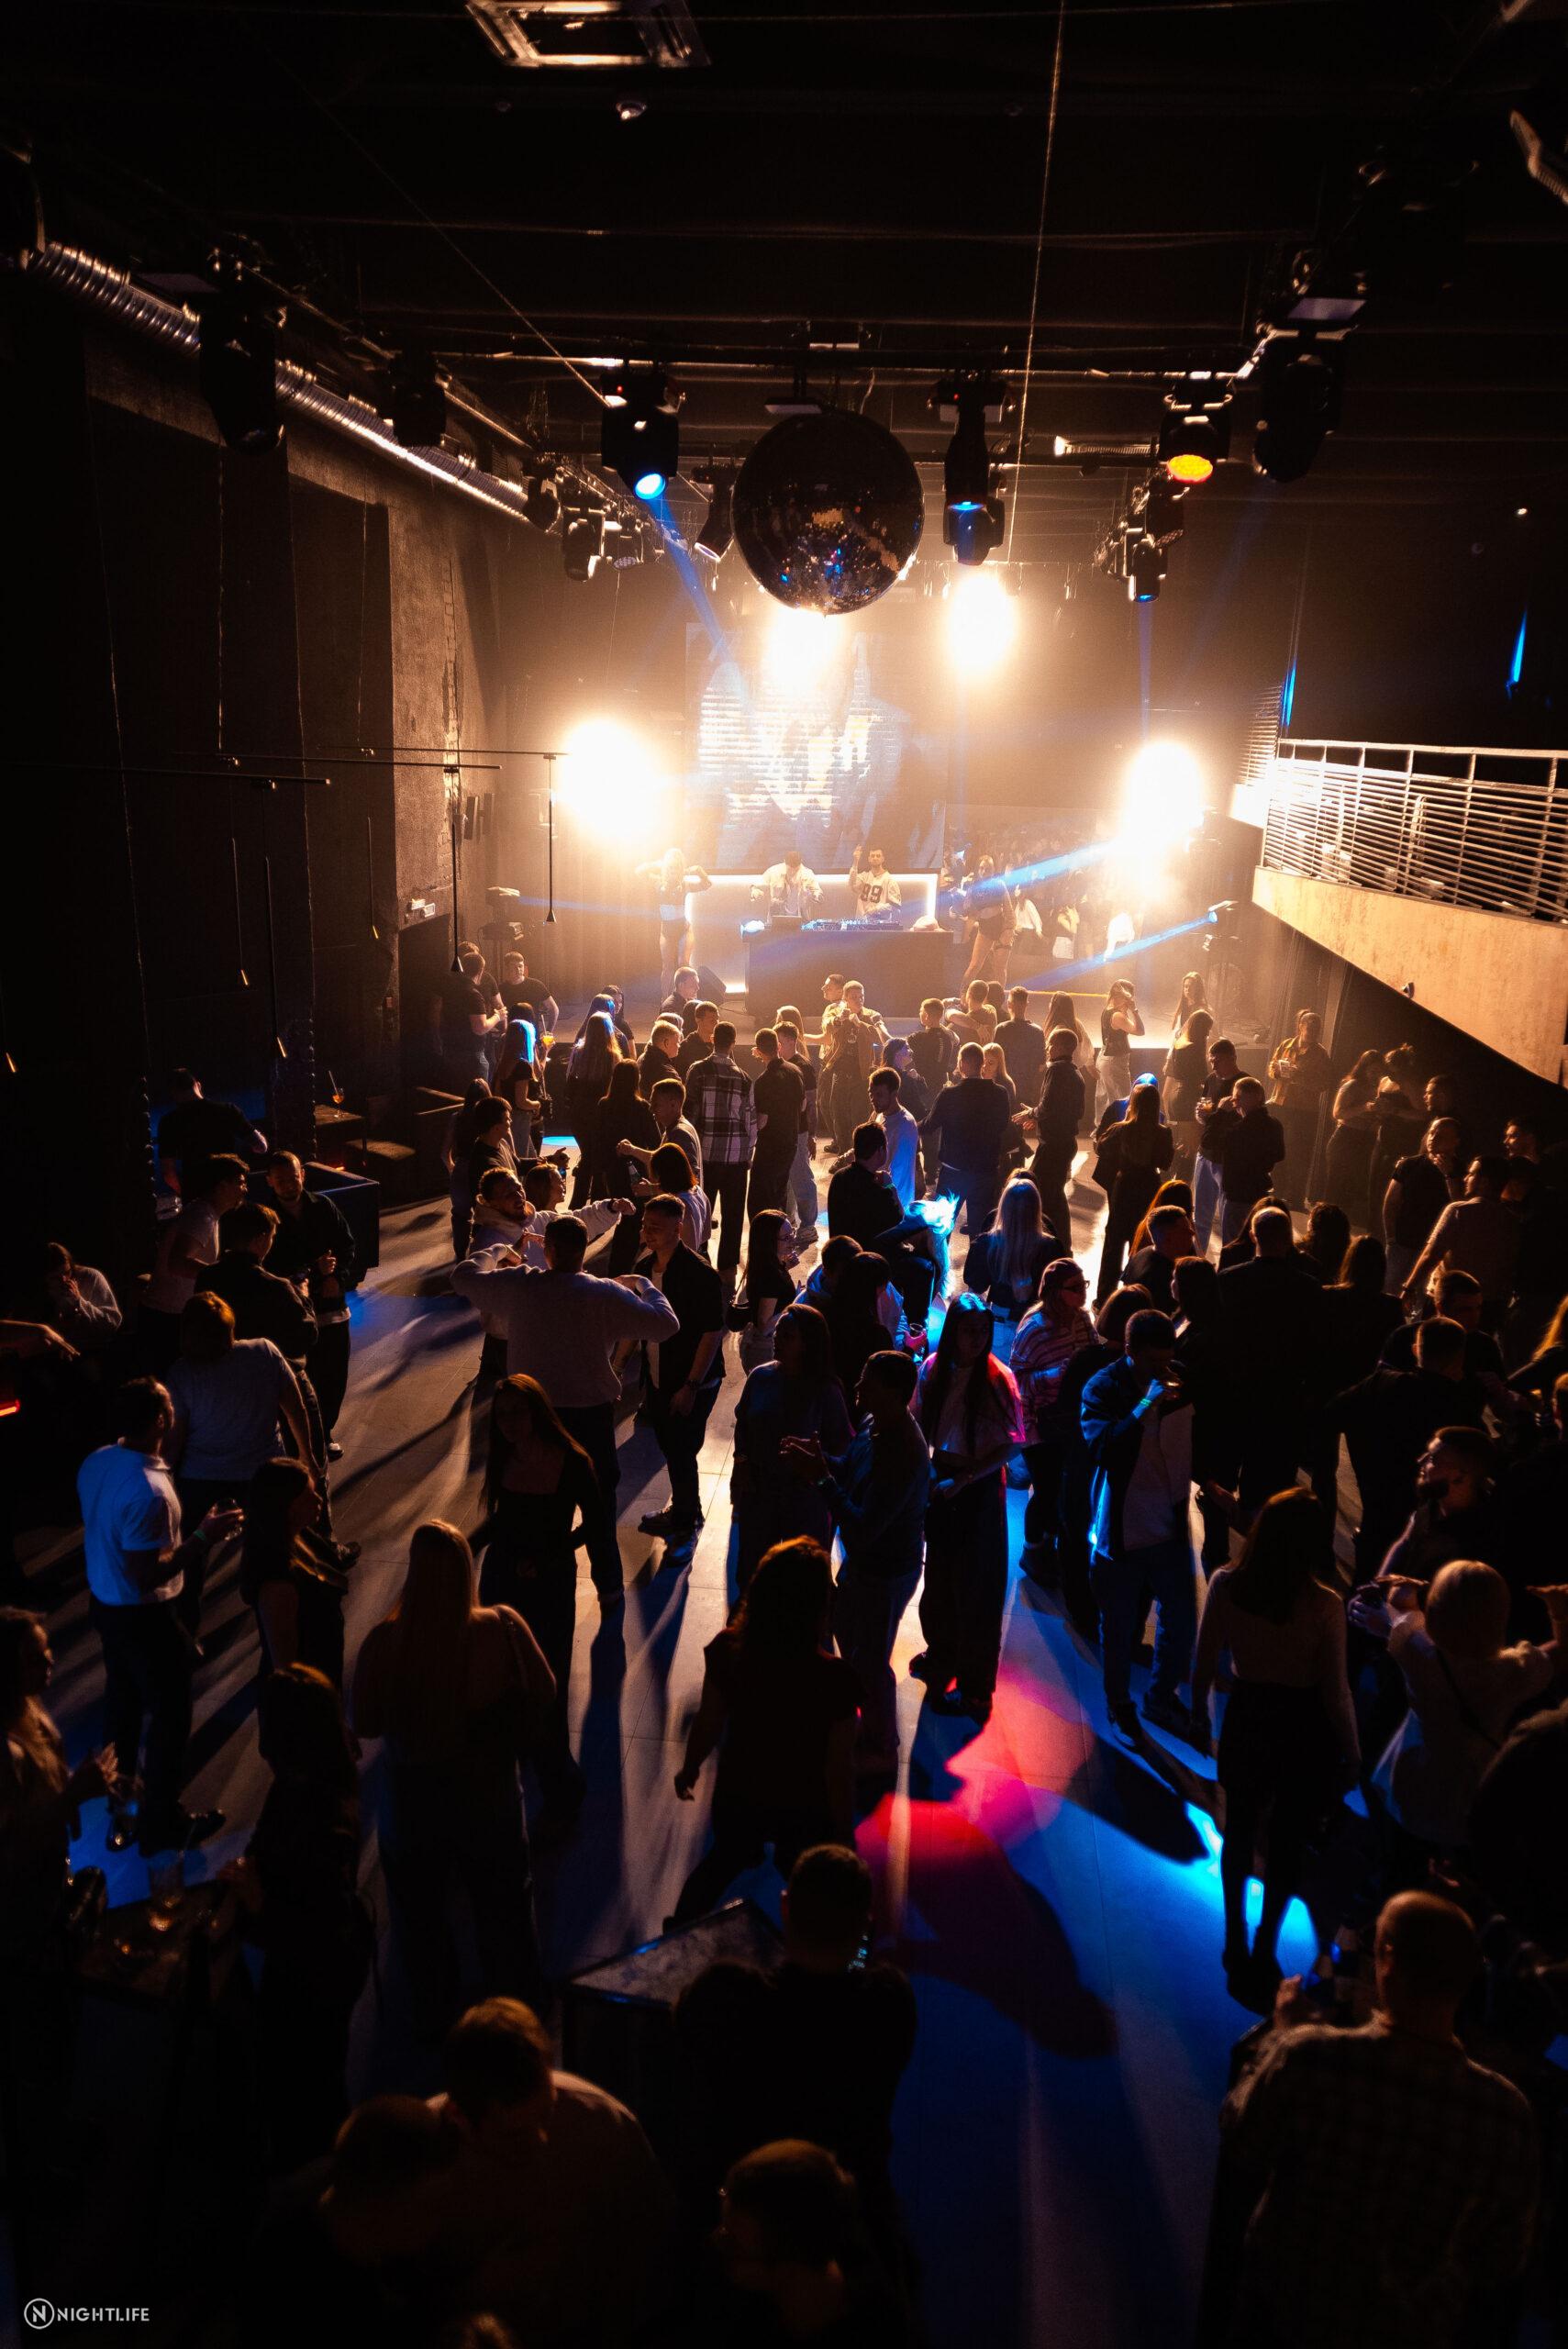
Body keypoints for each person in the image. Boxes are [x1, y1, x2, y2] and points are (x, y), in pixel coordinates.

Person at [1219, 1892, 1539, 2349]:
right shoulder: (1507, 2116)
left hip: (1283, 2318)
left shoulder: (1311, 2057)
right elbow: (1501, 2261)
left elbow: (1244, 2139)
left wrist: (1282, 2035)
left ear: (1386, 1960)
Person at [352, 1522, 552, 2031]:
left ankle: (436, 2019)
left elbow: (365, 1723)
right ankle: (517, 2018)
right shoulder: (503, 1627)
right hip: (490, 1795)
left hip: (414, 1803)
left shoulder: (384, 1643)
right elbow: (546, 1689)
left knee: (421, 1919)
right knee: (505, 1910)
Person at [674, 1843, 917, 2243]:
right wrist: (858, 1948)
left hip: (745, 2213)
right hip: (849, 2218)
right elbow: (858, 1971)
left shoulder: (727, 1995)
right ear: (865, 1926)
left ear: (785, 1906)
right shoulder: (887, 2004)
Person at [1190, 1491, 1359, 2007]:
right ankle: (1266, 1942)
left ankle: (1234, 1932)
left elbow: (1205, 1658)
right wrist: (1352, 1750)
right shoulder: (1324, 1605)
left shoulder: (1227, 1584)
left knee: (1239, 1827)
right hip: (1301, 1725)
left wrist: (1197, 1711)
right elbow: (1335, 1689)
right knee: (1287, 1840)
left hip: (1248, 1713)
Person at [452, 1214, 677, 1596]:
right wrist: (644, 1284)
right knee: (599, 1505)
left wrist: (498, 1251)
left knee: (535, 1504)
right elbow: (666, 1324)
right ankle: (609, 1586)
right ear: (584, 1249)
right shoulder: (606, 1293)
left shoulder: (521, 1285)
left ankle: (531, 1578)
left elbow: (462, 1277)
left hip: (533, 1416)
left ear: (549, 1250)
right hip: (590, 1417)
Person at [434, 1998, 673, 2347]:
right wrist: (473, 2292)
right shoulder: (421, 2162)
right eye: (514, 2135)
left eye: (547, 2114)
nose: (541, 2141)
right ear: (458, 2116)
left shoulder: (602, 2124)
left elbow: (654, 2244)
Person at [77, 1379, 238, 1854]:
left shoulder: (97, 1460)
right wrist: (204, 1537)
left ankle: (123, 1812)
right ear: (160, 1422)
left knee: (122, 1710)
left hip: (105, 1606)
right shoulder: (150, 1492)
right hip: (145, 1619)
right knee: (170, 1718)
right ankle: (161, 1822)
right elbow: (147, 1574)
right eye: (171, 1408)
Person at [220, 1664, 369, 2170]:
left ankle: (316, 2177)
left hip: (316, 1974)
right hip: (320, 1963)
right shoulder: (312, 1777)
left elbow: (316, 1929)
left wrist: (258, 1900)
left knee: (309, 2089)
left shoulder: (323, 1815)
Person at [670, 1539, 860, 1922]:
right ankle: (833, 1949)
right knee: (810, 1878)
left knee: (721, 1863)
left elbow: (710, 1720)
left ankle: (678, 1935)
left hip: (742, 1789)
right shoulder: (837, 1680)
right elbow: (837, 1769)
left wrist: (690, 1767)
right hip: (804, 1802)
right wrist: (844, 1833)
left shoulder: (728, 1650)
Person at [1350, 1561, 1563, 1874]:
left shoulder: (1418, 1651)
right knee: (1457, 1863)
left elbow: (1402, 1610)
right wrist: (1559, 1611)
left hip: (1413, 1778)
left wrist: (1405, 1587)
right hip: (1469, 1790)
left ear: (1436, 1610)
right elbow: (1561, 1652)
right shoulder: (1511, 1671)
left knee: (1398, 1857)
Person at [785, 1350, 930, 1771]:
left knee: (871, 1660)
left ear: (897, 1394)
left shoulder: (904, 1453)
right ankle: (867, 1721)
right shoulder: (873, 1424)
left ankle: (882, 1747)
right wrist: (821, 1462)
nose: (858, 1387)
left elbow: (864, 1528)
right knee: (852, 1640)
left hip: (886, 1571)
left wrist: (821, 1478)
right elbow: (849, 1470)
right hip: (866, 1565)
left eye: (868, 1382)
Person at [475, 1375, 605, 1822]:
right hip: (502, 1577)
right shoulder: (503, 1453)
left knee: (549, 1675)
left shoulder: (572, 1461)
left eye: (517, 1412)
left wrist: (550, 1556)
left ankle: (558, 1776)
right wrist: (463, 1546)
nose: (509, 1423)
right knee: (504, 1670)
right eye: (502, 1415)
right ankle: (522, 1751)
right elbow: (502, 1519)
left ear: (536, 1412)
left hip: (549, 1582)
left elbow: (596, 1523)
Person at [1082, 1308, 1197, 1741]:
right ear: (1129, 1349)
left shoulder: (1180, 1383)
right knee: (1118, 1626)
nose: (1163, 1370)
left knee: (1180, 1618)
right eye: (1153, 1362)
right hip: (1122, 1531)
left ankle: (1160, 1697)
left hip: (1169, 1524)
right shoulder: (1103, 1388)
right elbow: (1103, 1448)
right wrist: (1145, 1404)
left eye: (1168, 1360)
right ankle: (1119, 1705)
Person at [910, 1296, 1021, 1723]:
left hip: (978, 1487)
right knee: (939, 1575)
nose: (976, 1339)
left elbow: (1011, 1444)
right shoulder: (933, 1368)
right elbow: (920, 1422)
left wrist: (967, 1478)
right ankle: (942, 1653)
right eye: (968, 1329)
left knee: (979, 1588)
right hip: (942, 1478)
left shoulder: (997, 1378)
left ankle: (976, 1688)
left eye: (982, 1331)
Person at [732, 1306, 854, 1591]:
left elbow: (843, 1447)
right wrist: (741, 1461)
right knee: (753, 1572)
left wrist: (814, 1463)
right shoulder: (760, 1377)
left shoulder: (826, 1390)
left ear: (807, 1344)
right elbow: (743, 1424)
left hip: (803, 1500)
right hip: (760, 1492)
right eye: (778, 1332)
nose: (777, 1339)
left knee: (800, 1580)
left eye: (787, 1336)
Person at [633, 1191, 728, 1550]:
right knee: (671, 1445)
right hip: (660, 1374)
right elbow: (635, 1322)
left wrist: (691, 1385)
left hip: (692, 1378)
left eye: (657, 1227)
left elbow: (711, 1332)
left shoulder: (699, 1274)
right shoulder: (644, 1269)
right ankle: (685, 1511)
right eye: (646, 1225)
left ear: (679, 1228)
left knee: (681, 1447)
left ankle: (686, 1520)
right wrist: (620, 1364)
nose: (649, 1233)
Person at [1217, 1206, 1324, 1515]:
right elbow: (1316, 1343)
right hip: (1285, 1392)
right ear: (1289, 1239)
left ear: (1253, 1236)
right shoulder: (1309, 1288)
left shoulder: (1229, 1280)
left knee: (1229, 1462)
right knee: (1273, 1474)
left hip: (1238, 1387)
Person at [1012, 1258, 1095, 1588]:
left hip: (1071, 1422)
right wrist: (1058, 1373)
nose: (1083, 1293)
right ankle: (1032, 1550)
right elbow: (1018, 1381)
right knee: (1045, 1491)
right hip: (1041, 1424)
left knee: (1063, 1489)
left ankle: (1050, 1545)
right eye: (1075, 1288)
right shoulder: (1034, 1328)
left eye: (1083, 1285)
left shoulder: (1082, 1319)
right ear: (1056, 1291)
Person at [261, 1152, 356, 1442]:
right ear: (270, 1181)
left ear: (302, 1174)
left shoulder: (323, 1206)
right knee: (303, 1378)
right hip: (292, 1315)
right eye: (281, 1181)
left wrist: (337, 1278)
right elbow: (268, 1266)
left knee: (335, 1375)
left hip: (331, 1308)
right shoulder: (265, 1217)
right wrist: (314, 1271)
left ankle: (325, 1433)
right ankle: (306, 1438)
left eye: (293, 1178)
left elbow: (347, 1246)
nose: (289, 1185)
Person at [240, 1456, 349, 1685]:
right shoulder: (278, 1582)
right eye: (309, 1496)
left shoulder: (299, 1536)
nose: (319, 1499)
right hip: (306, 1691)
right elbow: (285, 1666)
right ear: (288, 1506)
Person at [138, 1152, 250, 1374]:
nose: (245, 1189)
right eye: (240, 1183)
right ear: (222, 1185)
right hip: (169, 1320)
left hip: (170, 1316)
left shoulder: (207, 1214)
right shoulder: (202, 1216)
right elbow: (178, 1262)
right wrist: (223, 1274)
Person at [1401, 1153, 1518, 1331]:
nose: (1465, 1178)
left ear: (1484, 1182)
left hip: (1449, 1301)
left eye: (1471, 1174)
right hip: (1488, 1307)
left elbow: (1431, 1254)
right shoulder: (1511, 1221)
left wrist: (1409, 1288)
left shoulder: (1458, 1211)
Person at [684, 1020, 756, 1278]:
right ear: (733, 1043)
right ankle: (727, 1267)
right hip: (735, 1156)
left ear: (713, 1039)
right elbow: (750, 1122)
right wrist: (748, 1154)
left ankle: (698, 1260)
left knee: (701, 1211)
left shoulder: (698, 1070)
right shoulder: (744, 1078)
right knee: (733, 1215)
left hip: (705, 1155)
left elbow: (689, 1112)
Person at [1094, 1080, 1174, 1304]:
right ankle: (1140, 1292)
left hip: (1124, 1186)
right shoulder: (1163, 1133)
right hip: (1150, 1186)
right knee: (1142, 1241)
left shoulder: (1120, 1129)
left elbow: (1101, 1148)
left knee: (1113, 1243)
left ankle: (1104, 1296)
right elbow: (1166, 1163)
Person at [921, 1041, 1011, 1239]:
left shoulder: (949, 1094)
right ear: (982, 1064)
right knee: (981, 1232)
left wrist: (907, 1124)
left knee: (941, 1230)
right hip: (986, 1171)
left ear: (962, 1063)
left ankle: (940, 1260)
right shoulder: (1000, 1094)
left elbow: (929, 1125)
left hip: (954, 1171)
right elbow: (1003, 1126)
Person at [1381, 1113, 1462, 1295]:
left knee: (1421, 1296)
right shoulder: (1409, 1165)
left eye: (1441, 1136)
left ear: (1455, 1141)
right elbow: (1391, 1202)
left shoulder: (1461, 1171)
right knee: (1389, 1291)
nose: (1433, 1138)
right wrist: (1391, 1238)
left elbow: (1460, 1208)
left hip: (1434, 1249)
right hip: (1402, 1242)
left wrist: (1449, 1175)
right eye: (1432, 1133)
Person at [964, 1174, 1060, 1326]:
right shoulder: (1052, 1247)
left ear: (1003, 1207)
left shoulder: (987, 1243)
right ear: (1037, 1208)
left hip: (999, 1322)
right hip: (1037, 1323)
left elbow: (975, 1290)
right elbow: (1056, 1294)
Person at [156, 1067, 267, 1194]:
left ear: (174, 1093)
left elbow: (168, 1173)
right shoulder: (227, 1111)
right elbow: (261, 1147)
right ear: (198, 1085)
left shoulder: (168, 1123)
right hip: (230, 1189)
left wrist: (185, 1193)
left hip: (196, 1193)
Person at [1025, 1023, 1086, 1246]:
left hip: (1053, 1144)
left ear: (1060, 1046)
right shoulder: (1076, 1073)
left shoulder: (1056, 1070)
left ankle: (1054, 1242)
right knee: (1053, 1193)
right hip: (1065, 1143)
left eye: (1051, 1043)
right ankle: (1058, 1242)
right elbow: (1074, 1111)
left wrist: (1031, 1113)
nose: (1048, 1048)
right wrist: (1037, 1115)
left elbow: (1047, 1105)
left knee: (1041, 1192)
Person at [1266, 1008, 1333, 1208]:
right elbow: (1271, 1067)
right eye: (1309, 1028)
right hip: (1281, 1103)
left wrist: (1300, 1076)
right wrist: (1277, 1072)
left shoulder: (1320, 1054)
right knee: (1277, 1148)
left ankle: (1295, 1197)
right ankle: (1277, 1188)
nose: (1312, 1032)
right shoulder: (1286, 1045)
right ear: (1300, 1026)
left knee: (1298, 1153)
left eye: (1316, 1029)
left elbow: (1325, 1083)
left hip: (1304, 1110)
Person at [819, 983, 887, 1152]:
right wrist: (839, 1019)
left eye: (861, 996)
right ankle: (843, 1152)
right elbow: (827, 1027)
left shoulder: (871, 1015)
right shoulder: (836, 1012)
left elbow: (878, 1038)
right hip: (840, 1072)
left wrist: (859, 1024)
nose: (859, 1000)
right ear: (845, 998)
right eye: (854, 997)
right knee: (838, 1113)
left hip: (862, 1073)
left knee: (860, 1115)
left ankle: (860, 1153)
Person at [638, 846, 713, 999]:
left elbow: (707, 884)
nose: (673, 870)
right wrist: (657, 864)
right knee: (667, 966)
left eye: (676, 867)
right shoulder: (658, 883)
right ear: (667, 868)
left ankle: (691, 998)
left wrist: (698, 870)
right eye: (670, 867)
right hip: (666, 931)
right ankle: (665, 1001)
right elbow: (639, 871)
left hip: (683, 929)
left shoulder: (685, 884)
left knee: (683, 963)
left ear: (680, 869)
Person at [1322, 1048, 1385, 1221]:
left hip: (1366, 1140)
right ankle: (1324, 1224)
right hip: (1345, 1139)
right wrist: (1365, 1107)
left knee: (1352, 1189)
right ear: (1364, 1069)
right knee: (1336, 1187)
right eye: (1373, 1071)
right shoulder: (1352, 1086)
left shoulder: (1380, 1088)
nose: (1376, 1075)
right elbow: (1337, 1113)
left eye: (1379, 1072)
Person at [748, 1028, 806, 1219]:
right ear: (778, 1046)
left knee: (760, 1196)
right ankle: (781, 1228)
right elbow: (803, 1105)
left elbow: (762, 1121)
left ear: (758, 1051)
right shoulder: (795, 1071)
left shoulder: (763, 1081)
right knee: (780, 1192)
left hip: (770, 1147)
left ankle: (765, 1230)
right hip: (790, 1141)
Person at [1189, 1035, 1240, 1252]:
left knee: (1228, 1214)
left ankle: (1228, 1261)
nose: (1214, 1066)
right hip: (1205, 1153)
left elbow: (1244, 1121)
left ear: (1232, 1058)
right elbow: (1205, 1110)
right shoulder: (1211, 1079)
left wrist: (1218, 1115)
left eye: (1217, 1061)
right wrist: (1200, 1115)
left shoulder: (1243, 1084)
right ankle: (1197, 1259)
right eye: (1211, 1061)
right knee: (1201, 1214)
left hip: (1227, 1158)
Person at [732, 1208, 799, 1372]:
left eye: (792, 1233)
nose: (792, 1241)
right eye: (786, 1238)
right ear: (769, 1242)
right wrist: (795, 1302)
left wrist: (784, 1268)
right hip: (766, 1351)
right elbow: (764, 1326)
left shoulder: (767, 1265)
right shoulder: (770, 1276)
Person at [774, 1020, 819, 1242]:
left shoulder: (803, 1067)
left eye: (780, 1042)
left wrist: (811, 1134)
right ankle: (790, 1220)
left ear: (792, 1041)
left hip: (799, 1131)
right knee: (790, 1178)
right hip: (785, 1131)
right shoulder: (781, 1064)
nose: (777, 1047)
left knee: (801, 1177)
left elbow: (811, 1104)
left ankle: (809, 1225)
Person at [39, 1242, 122, 1355]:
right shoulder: (40, 1290)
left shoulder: (91, 1277)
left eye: (67, 1272)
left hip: (89, 1350)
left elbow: (112, 1323)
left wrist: (79, 1301)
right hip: (50, 1351)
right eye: (55, 1277)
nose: (64, 1280)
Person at [1121, 1200, 1197, 1318]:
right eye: (1185, 1230)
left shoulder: (1141, 1254)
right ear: (1168, 1238)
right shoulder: (1163, 1280)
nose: (1192, 1233)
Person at [1160, 1008, 1213, 1177]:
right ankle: (1182, 1183)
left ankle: (1165, 1176)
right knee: (1194, 1147)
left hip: (1177, 1095)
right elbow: (1202, 1076)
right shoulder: (1194, 1047)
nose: (1208, 1034)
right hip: (1189, 1097)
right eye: (1207, 1030)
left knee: (1182, 1143)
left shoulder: (1179, 1043)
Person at [867, 1065, 919, 1213]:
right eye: (871, 1094)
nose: (873, 1099)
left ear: (894, 1094)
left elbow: (896, 1173)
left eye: (879, 1095)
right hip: (881, 1198)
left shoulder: (904, 1125)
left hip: (894, 1204)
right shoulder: (879, 1115)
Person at [1094, 979, 1144, 1125]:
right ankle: (1117, 1131)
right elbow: (1140, 1031)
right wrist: (1134, 1010)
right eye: (1130, 997)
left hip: (1106, 1058)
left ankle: (1102, 1130)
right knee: (1122, 1101)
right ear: (1124, 996)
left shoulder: (1108, 1010)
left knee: (1105, 1100)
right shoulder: (1117, 1016)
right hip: (1114, 1062)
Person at [993, 986, 1046, 1105]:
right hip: (1028, 1093)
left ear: (1009, 1004)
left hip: (1004, 1090)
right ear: (1027, 1004)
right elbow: (1041, 1065)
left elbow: (994, 1060)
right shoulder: (1037, 1032)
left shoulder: (1001, 1029)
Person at [906, 996, 957, 1099]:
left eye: (921, 1011)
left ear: (926, 1015)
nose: (919, 1013)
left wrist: (879, 1025)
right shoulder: (949, 1037)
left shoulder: (919, 1038)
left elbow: (893, 1045)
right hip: (941, 1089)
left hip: (922, 1089)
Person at [753, 849, 822, 919]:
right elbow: (757, 887)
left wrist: (816, 896)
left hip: (801, 918)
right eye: (790, 869)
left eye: (796, 870)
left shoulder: (808, 874)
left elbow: (817, 891)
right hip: (776, 917)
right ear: (785, 862)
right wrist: (756, 892)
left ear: (800, 863)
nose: (793, 872)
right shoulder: (773, 872)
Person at [848, 843, 901, 922]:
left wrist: (877, 909)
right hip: (862, 922)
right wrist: (855, 861)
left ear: (883, 859)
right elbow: (852, 885)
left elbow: (895, 905)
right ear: (869, 859)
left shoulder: (889, 880)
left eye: (878, 856)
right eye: (872, 856)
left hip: (880, 924)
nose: (875, 858)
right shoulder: (864, 876)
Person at [662, 963, 702, 1032]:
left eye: (697, 984)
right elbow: (672, 1033)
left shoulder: (689, 1001)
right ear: (681, 986)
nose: (697, 988)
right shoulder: (670, 1007)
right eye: (693, 985)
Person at [1169, 970, 1208, 1038]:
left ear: (1198, 989)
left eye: (1191, 986)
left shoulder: (1202, 1010)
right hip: (1179, 1041)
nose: (1188, 989)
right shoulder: (1182, 1007)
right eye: (1186, 986)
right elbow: (1175, 1030)